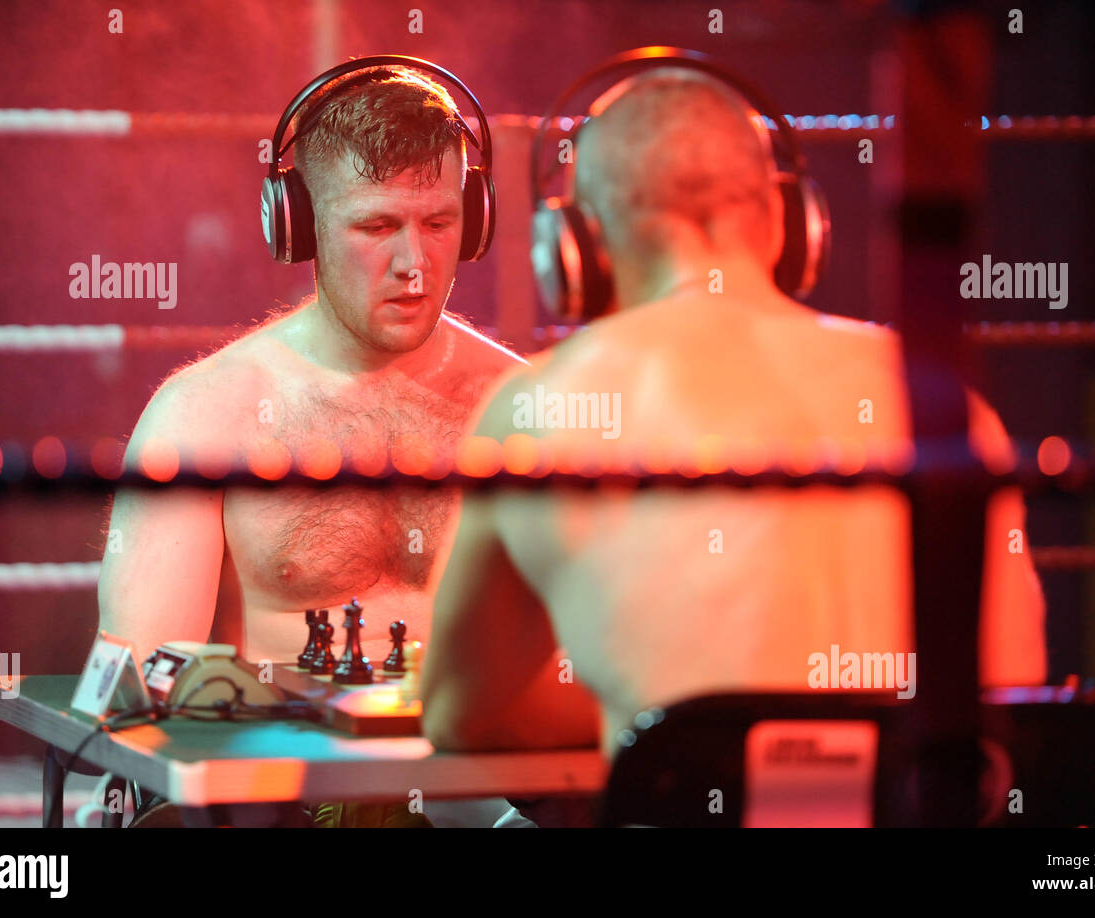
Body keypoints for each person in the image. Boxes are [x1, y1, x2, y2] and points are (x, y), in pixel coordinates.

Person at [422, 67, 1047, 768]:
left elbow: (461, 713)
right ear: (790, 224)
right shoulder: (941, 402)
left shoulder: (537, 408)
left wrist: (642, 705)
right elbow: (1009, 685)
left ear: (576, 248)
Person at [99, 64, 529, 827]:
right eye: (375, 227)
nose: (414, 264)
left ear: (478, 216)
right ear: (299, 226)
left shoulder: (528, 408)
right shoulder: (206, 416)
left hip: (498, 799)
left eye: (438, 222)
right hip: (290, 806)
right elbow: (125, 680)